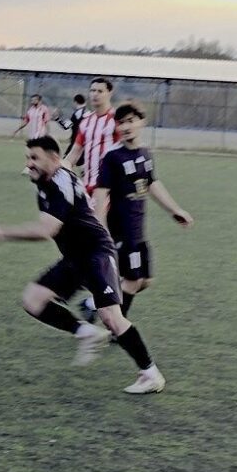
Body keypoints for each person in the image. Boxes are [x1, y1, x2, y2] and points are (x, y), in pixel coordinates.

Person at [0, 136, 166, 394]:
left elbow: (47, 230)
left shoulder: (60, 183)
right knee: (33, 300)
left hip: (97, 253)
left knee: (111, 317)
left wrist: (2, 233)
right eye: (27, 157)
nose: (29, 163)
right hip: (76, 257)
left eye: (35, 158)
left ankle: (150, 374)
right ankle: (85, 332)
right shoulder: (46, 180)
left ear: (54, 158)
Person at [78, 101, 193, 321]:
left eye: (130, 121)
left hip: (138, 230)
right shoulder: (113, 157)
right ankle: (118, 328)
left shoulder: (145, 152)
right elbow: (101, 195)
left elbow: (151, 184)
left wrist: (175, 210)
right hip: (121, 229)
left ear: (142, 122)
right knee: (132, 280)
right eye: (120, 123)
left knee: (145, 281)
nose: (125, 127)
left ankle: (92, 303)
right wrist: (101, 231)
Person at [64, 77, 118, 195]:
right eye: (92, 91)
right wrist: (61, 170)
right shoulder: (86, 121)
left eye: (100, 91)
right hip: (87, 189)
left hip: (110, 190)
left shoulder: (117, 120)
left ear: (110, 93)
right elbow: (74, 153)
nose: (95, 94)